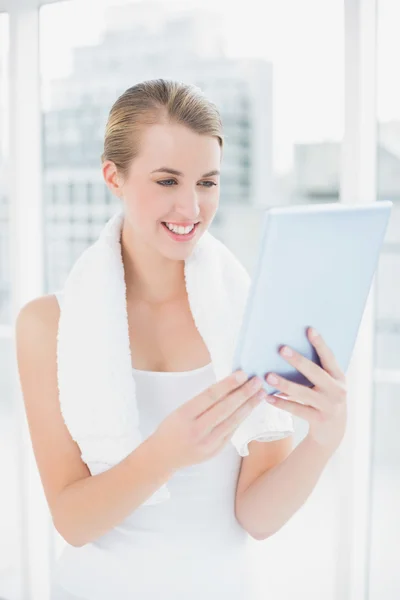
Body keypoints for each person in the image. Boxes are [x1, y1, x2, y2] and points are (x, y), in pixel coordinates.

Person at [15, 79, 295, 599]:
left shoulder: (248, 315)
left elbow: (258, 518)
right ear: (113, 177)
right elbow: (74, 522)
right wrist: (165, 453)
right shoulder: (46, 325)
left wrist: (327, 434)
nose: (191, 208)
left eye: (207, 183)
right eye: (167, 181)